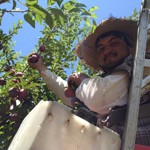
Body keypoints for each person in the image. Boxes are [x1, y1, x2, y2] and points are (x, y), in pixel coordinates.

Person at [28, 17, 150, 146]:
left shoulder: (138, 65)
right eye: (101, 49)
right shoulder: (107, 80)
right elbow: (70, 97)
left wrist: (82, 80)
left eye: (114, 43)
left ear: (129, 46)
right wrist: (41, 68)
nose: (107, 50)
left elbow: (96, 97)